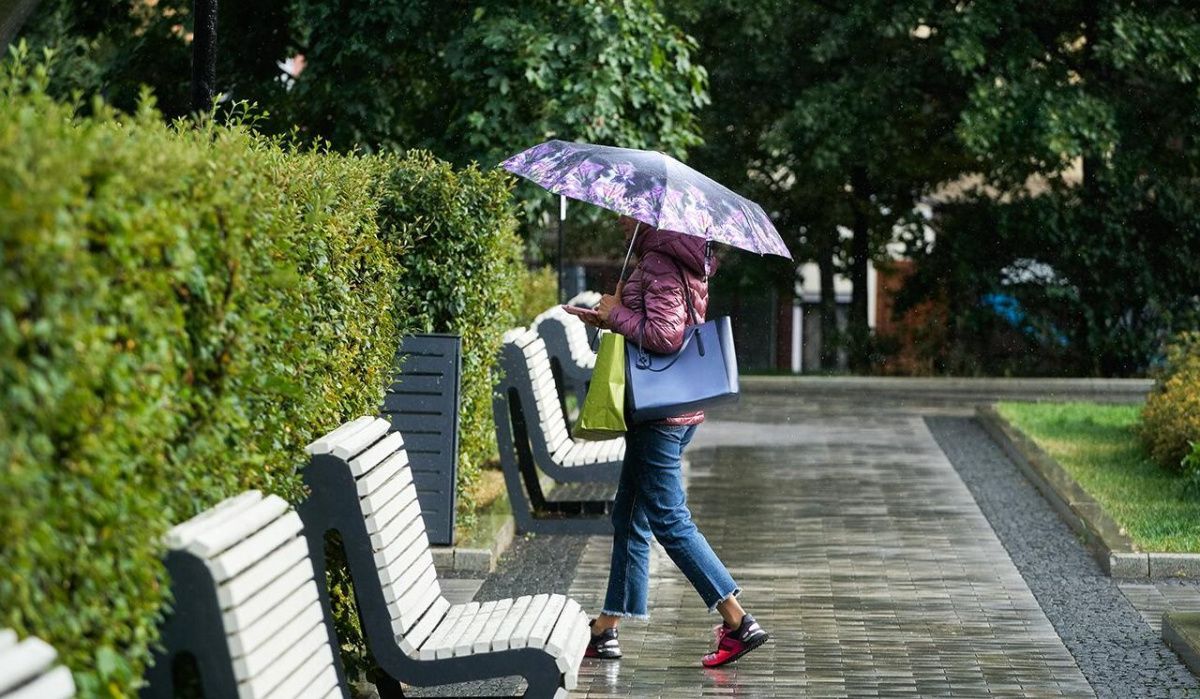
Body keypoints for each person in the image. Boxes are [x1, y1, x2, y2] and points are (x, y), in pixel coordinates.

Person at [578, 214, 769, 668]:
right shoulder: (668, 258)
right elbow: (654, 323)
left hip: (660, 415)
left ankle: (738, 621)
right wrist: (609, 315)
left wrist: (615, 315)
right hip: (672, 410)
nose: (618, 220)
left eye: (625, 213)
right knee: (630, 514)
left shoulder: (661, 260)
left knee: (669, 520)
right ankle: (607, 628)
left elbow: (666, 336)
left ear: (645, 214)